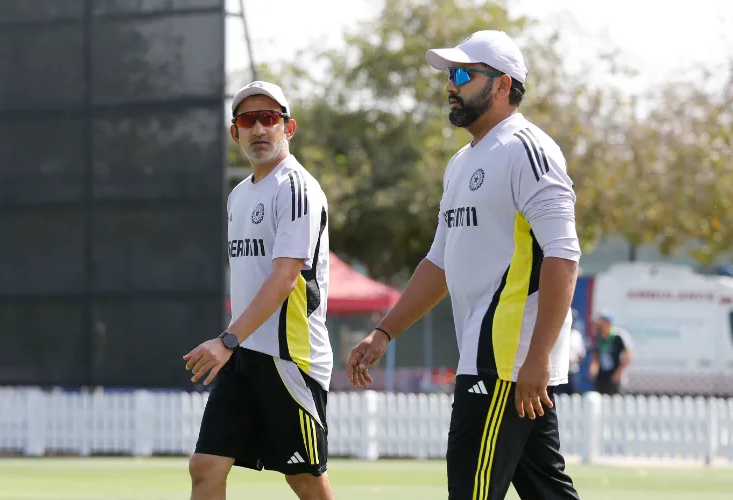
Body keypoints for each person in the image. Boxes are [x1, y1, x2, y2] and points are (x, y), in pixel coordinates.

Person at [347, 30, 581, 500]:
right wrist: (384, 331)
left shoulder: (528, 150)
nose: (450, 86)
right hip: (492, 359)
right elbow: (439, 262)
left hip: (505, 362)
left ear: (501, 85)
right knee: (547, 492)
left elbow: (563, 256)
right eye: (448, 76)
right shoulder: (460, 163)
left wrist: (536, 358)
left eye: (461, 75)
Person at [183, 80, 334, 500]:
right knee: (206, 466)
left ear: (289, 127)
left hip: (290, 357)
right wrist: (235, 343)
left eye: (269, 118)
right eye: (248, 120)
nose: (259, 129)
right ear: (235, 133)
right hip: (245, 353)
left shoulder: (297, 187)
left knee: (305, 479)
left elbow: (285, 279)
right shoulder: (239, 195)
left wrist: (228, 339)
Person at [589, 311, 633, 395]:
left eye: (600, 323)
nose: (598, 325)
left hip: (615, 376)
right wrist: (593, 369)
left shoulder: (619, 335)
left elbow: (628, 356)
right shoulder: (598, 336)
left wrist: (618, 373)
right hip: (601, 376)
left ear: (607, 323)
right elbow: (595, 355)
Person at [554, 309, 586, 396]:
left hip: (572, 371)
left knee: (573, 395)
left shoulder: (576, 335)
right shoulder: (557, 333)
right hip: (558, 371)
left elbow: (581, 353)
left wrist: (574, 361)